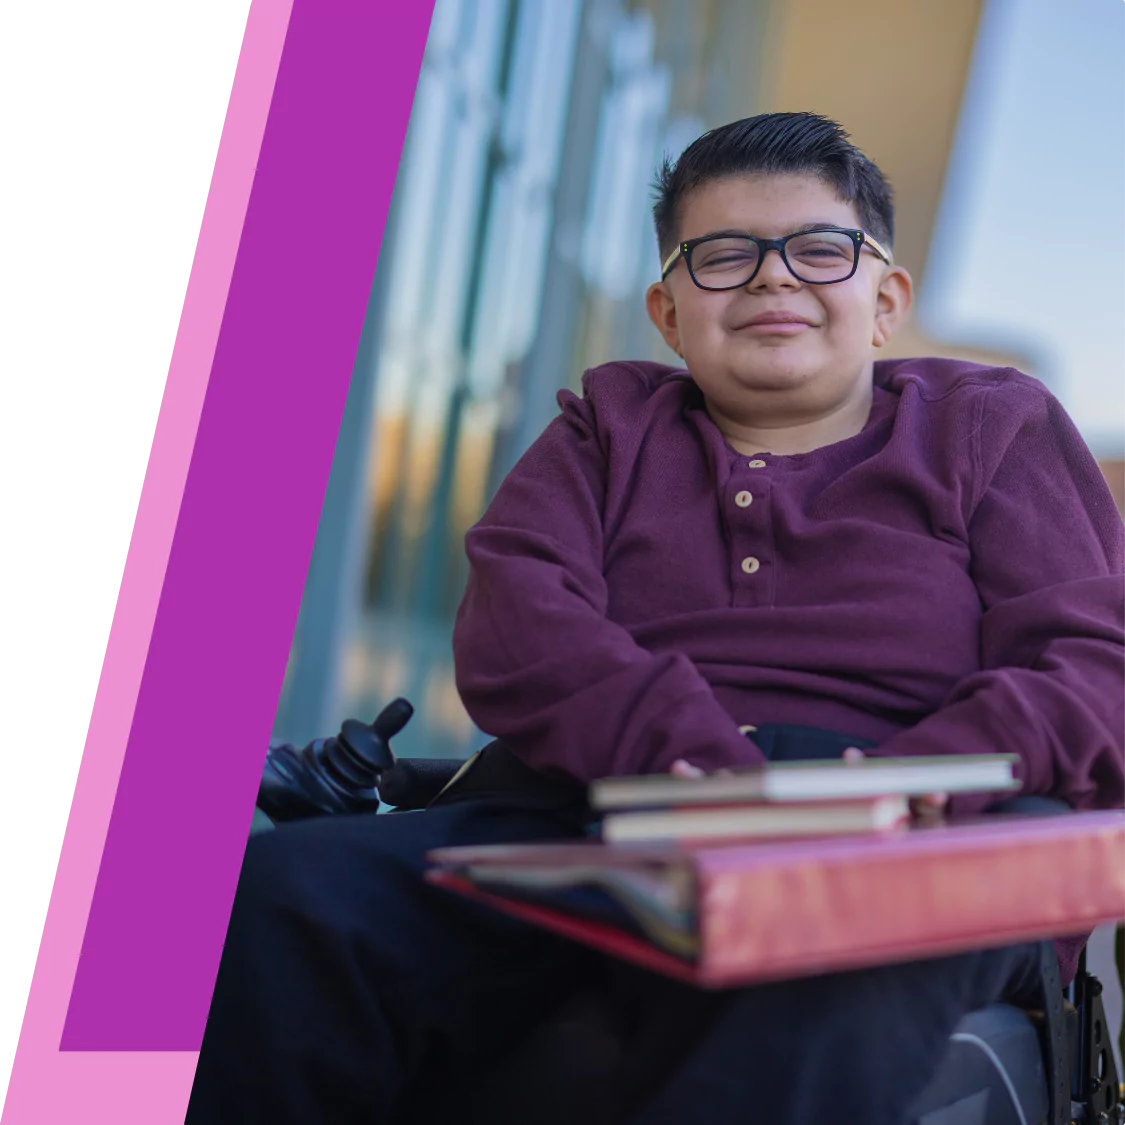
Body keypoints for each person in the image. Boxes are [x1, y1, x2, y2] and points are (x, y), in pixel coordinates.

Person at [184, 112, 1125, 1125]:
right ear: (669, 314)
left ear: (886, 300)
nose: (772, 278)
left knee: (820, 948)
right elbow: (517, 622)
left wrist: (930, 775)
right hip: (613, 804)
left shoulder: (989, 424)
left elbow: (1093, 661)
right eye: (724, 256)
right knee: (288, 897)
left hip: (912, 835)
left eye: (819, 250)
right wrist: (699, 771)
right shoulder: (610, 427)